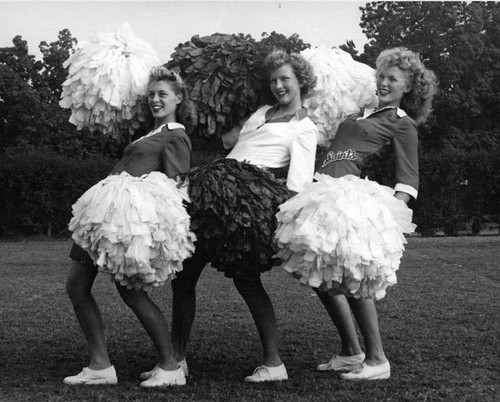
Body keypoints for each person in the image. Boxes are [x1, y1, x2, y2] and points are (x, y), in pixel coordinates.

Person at [274, 47, 438, 380]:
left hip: (350, 201)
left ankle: (378, 360)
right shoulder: (357, 113)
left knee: (353, 277)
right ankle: (352, 352)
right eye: (381, 76)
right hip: (320, 193)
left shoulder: (401, 123)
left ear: (408, 88)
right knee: (321, 277)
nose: (383, 83)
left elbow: (408, 177)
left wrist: (389, 218)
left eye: (393, 79)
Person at [166, 50, 318, 383]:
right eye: (274, 80)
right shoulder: (262, 112)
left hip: (246, 204)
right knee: (184, 275)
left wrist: (263, 210)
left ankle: (274, 362)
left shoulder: (305, 129)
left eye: (285, 79)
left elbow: (297, 186)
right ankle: (176, 361)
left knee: (246, 280)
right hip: (212, 189)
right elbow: (229, 142)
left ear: (302, 82)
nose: (278, 86)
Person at [64, 67, 197, 387]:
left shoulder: (176, 135)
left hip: (125, 222)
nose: (155, 99)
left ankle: (170, 365)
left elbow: (177, 188)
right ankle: (100, 365)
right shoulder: (148, 133)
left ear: (178, 98)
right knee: (76, 285)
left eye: (163, 94)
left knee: (131, 291)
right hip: (101, 215)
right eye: (151, 94)